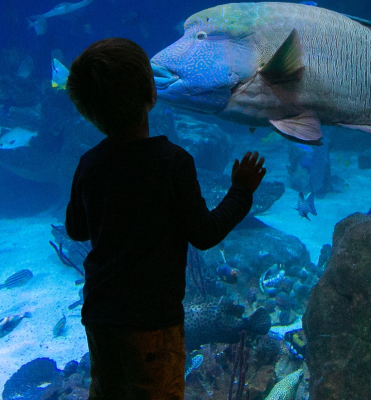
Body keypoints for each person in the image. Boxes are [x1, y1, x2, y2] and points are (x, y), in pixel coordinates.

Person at [64, 38, 266, 400]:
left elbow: (76, 229)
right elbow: (204, 234)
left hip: (101, 317)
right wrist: (241, 192)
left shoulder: (88, 165)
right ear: (151, 95)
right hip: (154, 323)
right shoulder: (173, 162)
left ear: (88, 111)